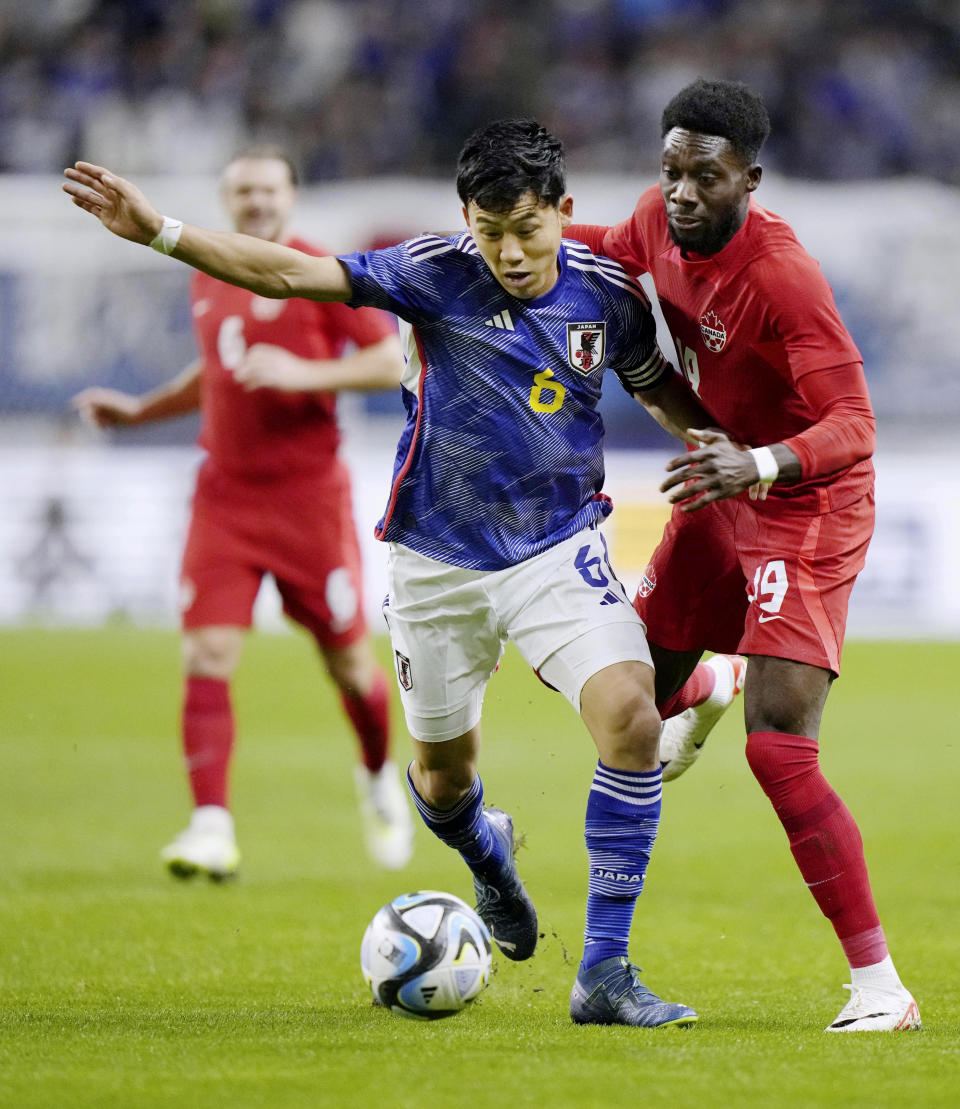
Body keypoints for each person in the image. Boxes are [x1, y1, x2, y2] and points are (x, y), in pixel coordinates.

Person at [64, 118, 733, 1028]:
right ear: (466, 218)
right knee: (445, 780)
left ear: (563, 212)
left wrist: (736, 458)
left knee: (628, 720)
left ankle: (605, 974)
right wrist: (163, 233)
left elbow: (658, 385)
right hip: (435, 564)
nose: (509, 251)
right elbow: (290, 270)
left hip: (556, 547)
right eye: (490, 231)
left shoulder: (607, 292)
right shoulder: (435, 270)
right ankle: (489, 859)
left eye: (528, 230)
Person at [564, 78, 920, 1033]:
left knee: (779, 746)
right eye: (672, 169)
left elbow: (856, 423)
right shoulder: (656, 218)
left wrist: (758, 462)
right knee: (632, 694)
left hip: (804, 499)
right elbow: (605, 249)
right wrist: (533, 234)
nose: (681, 192)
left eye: (705, 176)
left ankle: (880, 988)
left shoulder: (784, 280)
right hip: (724, 481)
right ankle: (707, 688)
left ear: (750, 180)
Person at [72, 148, 414, 880]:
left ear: (291, 196)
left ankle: (378, 773)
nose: (257, 202)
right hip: (225, 496)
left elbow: (390, 365)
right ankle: (211, 823)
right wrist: (142, 411)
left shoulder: (322, 271)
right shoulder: (213, 269)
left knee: (352, 666)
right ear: (228, 200)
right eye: (243, 191)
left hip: (307, 500)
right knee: (207, 655)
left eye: (268, 189)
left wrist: (306, 373)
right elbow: (216, 368)